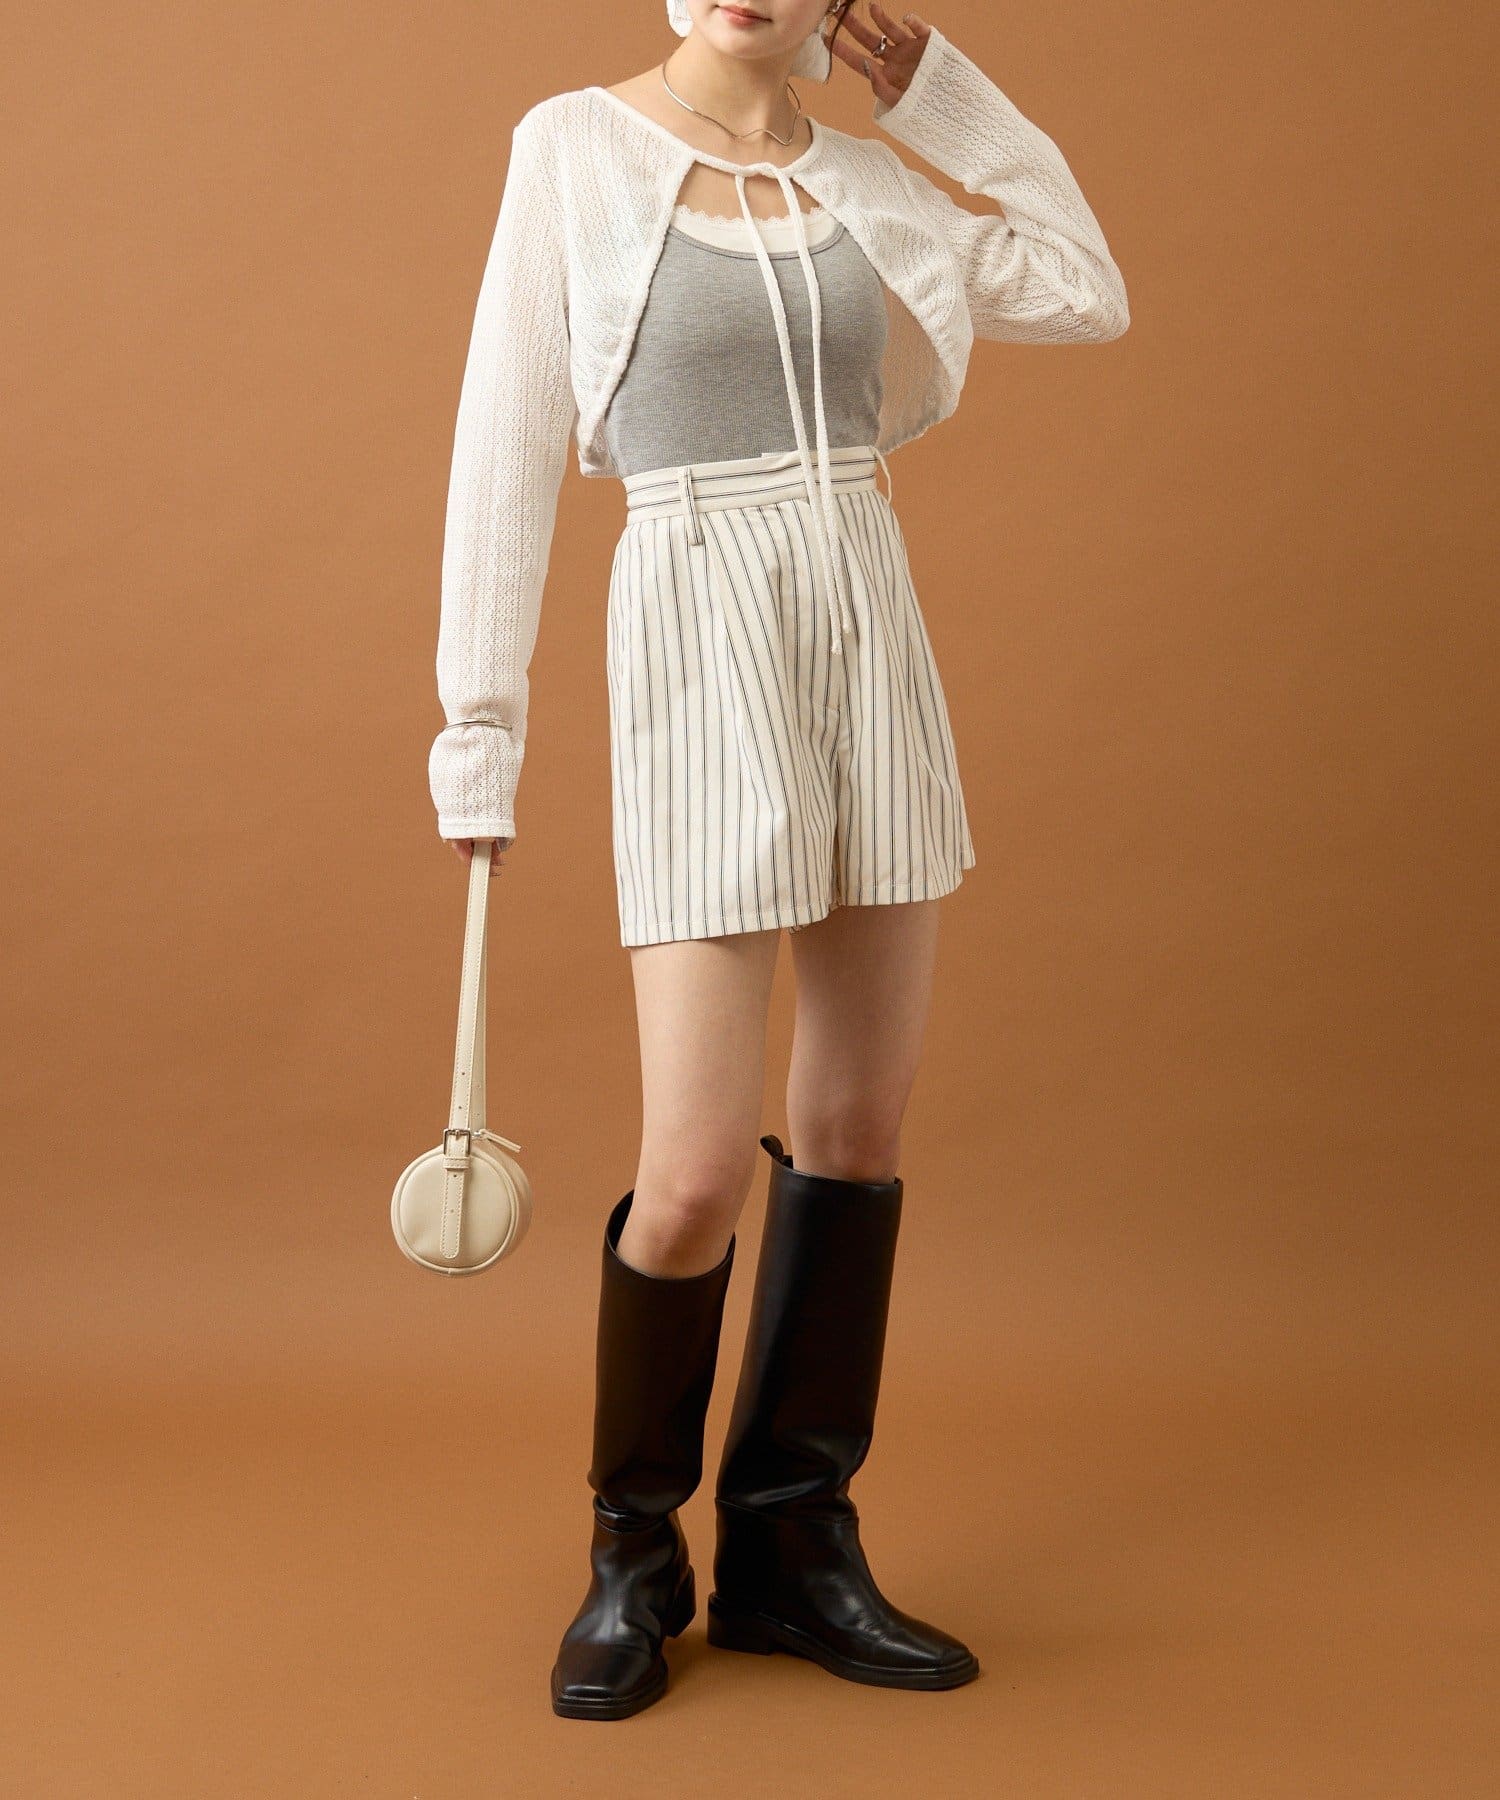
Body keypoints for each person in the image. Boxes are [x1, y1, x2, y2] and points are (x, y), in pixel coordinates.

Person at [427, 0, 1128, 1720]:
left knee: (856, 1133)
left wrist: (939, 93)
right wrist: (479, 731)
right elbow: (503, 449)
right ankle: (632, 1553)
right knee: (691, 1175)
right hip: (694, 624)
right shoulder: (574, 150)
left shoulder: (868, 182)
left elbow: (1084, 284)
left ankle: (795, 1547)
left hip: (865, 620)